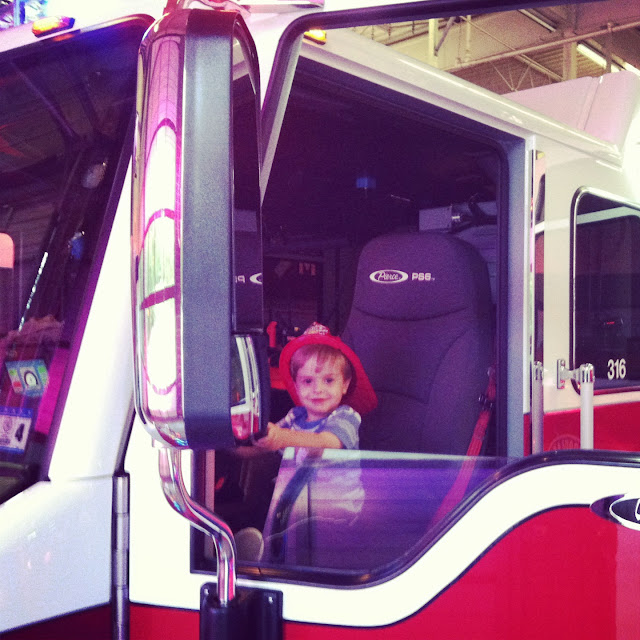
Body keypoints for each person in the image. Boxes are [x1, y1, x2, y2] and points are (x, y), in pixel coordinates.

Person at [256, 322, 377, 452]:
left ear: (344, 385)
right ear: (296, 387)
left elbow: (327, 442)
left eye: (329, 380)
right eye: (308, 381)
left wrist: (283, 438)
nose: (318, 389)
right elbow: (266, 446)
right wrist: (249, 445)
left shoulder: (346, 415)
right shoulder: (294, 416)